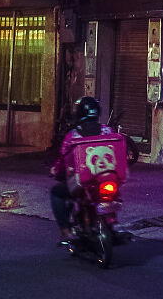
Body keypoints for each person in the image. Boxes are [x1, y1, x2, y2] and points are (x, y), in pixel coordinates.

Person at [49, 96, 115, 245]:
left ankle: (65, 230)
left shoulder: (73, 135)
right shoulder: (108, 131)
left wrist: (56, 170)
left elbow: (63, 159)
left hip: (83, 181)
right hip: (107, 178)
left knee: (56, 193)